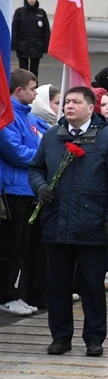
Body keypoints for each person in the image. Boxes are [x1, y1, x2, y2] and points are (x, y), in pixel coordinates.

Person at [28, 87, 108, 357]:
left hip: (92, 223)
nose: (69, 106)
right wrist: (40, 187)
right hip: (56, 221)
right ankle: (61, 337)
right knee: (57, 285)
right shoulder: (53, 136)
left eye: (75, 102)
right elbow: (36, 168)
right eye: (66, 102)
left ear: (90, 108)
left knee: (92, 286)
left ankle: (94, 338)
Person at [0, 69, 45, 315]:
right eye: (32, 89)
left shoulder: (28, 116)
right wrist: (43, 157)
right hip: (12, 190)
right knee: (9, 246)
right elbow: (16, 152)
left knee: (21, 246)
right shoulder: (6, 117)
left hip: (26, 189)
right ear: (19, 91)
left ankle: (12, 292)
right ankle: (5, 295)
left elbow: (37, 144)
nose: (35, 93)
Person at [11, 0, 50, 78]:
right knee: (23, 71)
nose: (32, 0)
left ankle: (34, 85)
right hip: (22, 46)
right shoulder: (19, 12)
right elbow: (15, 29)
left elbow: (46, 31)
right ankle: (23, 85)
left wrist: (45, 46)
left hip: (36, 46)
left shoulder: (41, 13)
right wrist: (15, 45)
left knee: (34, 71)